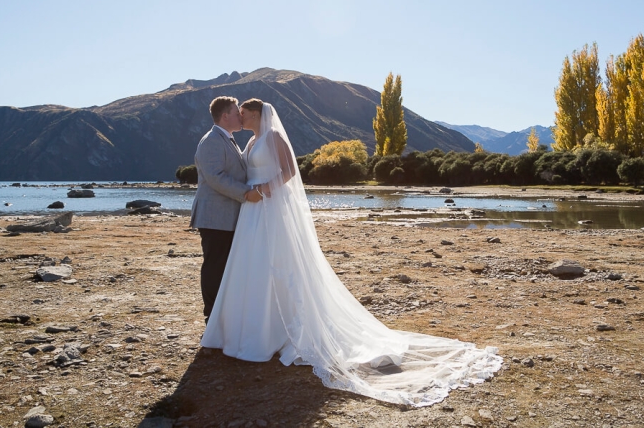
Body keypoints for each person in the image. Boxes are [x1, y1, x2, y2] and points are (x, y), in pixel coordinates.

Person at [201, 99, 502, 407]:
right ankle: (251, 329)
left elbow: (289, 170)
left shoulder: (273, 137)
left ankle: (278, 330)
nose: (240, 116)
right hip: (252, 212)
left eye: (245, 113)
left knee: (276, 264)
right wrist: (252, 191)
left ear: (256, 114)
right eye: (238, 114)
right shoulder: (249, 141)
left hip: (268, 206)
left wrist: (267, 188)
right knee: (254, 267)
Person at [190, 96, 262, 323]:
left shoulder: (227, 139)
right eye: (235, 112)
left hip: (226, 216)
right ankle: (211, 317)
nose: (240, 116)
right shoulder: (211, 140)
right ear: (224, 116)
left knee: (224, 266)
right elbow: (215, 177)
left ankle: (223, 315)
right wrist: (246, 192)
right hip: (214, 216)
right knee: (214, 266)